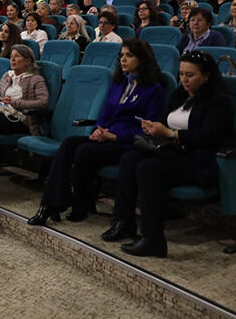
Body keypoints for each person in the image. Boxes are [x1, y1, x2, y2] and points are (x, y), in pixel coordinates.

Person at [104, 51, 234, 257]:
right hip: (173, 152)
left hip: (199, 159)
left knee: (148, 168)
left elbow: (210, 136)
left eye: (190, 75)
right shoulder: (179, 95)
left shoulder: (218, 102)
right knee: (130, 158)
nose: (184, 79)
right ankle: (124, 221)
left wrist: (171, 134)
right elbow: (166, 123)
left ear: (206, 76)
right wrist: (154, 127)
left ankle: (153, 239)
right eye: (181, 74)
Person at [27, 39, 166, 227]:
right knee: (69, 143)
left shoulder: (154, 89)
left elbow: (149, 127)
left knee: (84, 151)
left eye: (129, 55)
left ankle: (80, 205)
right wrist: (98, 130)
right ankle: (50, 204)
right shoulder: (119, 84)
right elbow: (105, 113)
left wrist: (115, 136)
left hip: (128, 144)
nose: (123, 59)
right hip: (107, 136)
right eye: (121, 55)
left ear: (142, 59)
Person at [0, 45, 49, 188]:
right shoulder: (7, 75)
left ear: (28, 60)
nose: (12, 59)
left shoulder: (36, 79)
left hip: (19, 120)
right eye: (11, 56)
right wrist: (0, 100)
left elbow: (43, 102)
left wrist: (15, 102)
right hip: (1, 114)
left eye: (17, 56)